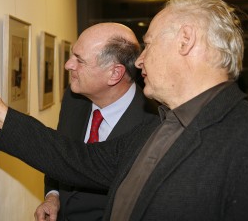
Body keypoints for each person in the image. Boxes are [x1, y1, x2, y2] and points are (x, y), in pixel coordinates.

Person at [0, 0, 248, 221]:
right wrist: (4, 116)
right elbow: (79, 159)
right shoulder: (164, 125)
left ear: (185, 41)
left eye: (148, 44)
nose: (139, 61)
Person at [34, 23, 158, 220]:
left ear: (114, 73)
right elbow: (61, 153)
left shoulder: (155, 122)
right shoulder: (73, 99)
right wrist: (53, 196)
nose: (68, 65)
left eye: (79, 60)